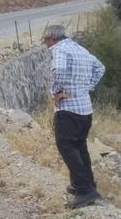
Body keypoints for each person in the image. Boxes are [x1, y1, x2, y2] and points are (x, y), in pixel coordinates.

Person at [44, 25, 106, 209]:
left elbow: (59, 71)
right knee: (79, 146)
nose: (46, 45)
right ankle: (87, 184)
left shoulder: (59, 49)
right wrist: (86, 87)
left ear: (52, 38)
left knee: (66, 146)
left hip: (68, 109)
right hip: (85, 108)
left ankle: (85, 191)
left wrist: (57, 92)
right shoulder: (80, 49)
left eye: (46, 41)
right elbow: (100, 68)